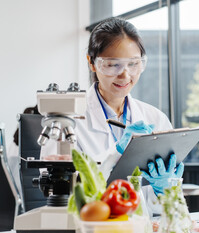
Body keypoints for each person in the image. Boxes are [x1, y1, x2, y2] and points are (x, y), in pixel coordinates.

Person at [41, 17, 184, 216]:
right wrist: (115, 154)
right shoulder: (66, 121)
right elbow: (63, 192)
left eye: (133, 64)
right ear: (92, 62)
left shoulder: (155, 119)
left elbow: (168, 210)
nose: (125, 75)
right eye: (112, 65)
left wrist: (166, 190)